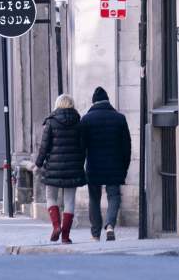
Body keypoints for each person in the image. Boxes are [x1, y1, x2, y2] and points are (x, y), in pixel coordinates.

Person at [80, 86, 131, 241]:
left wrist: (82, 167)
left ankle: (95, 234)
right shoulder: (120, 118)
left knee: (94, 198)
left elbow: (82, 147)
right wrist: (125, 167)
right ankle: (110, 225)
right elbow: (127, 146)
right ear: (108, 100)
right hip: (115, 165)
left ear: (93, 102)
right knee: (114, 196)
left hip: (94, 166)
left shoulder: (86, 120)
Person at [35, 93, 86, 243]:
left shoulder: (51, 122)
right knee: (69, 201)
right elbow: (83, 148)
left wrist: (38, 164)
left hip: (53, 169)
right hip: (73, 168)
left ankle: (56, 226)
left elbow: (44, 147)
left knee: (51, 197)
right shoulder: (79, 122)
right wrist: (79, 163)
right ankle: (65, 236)